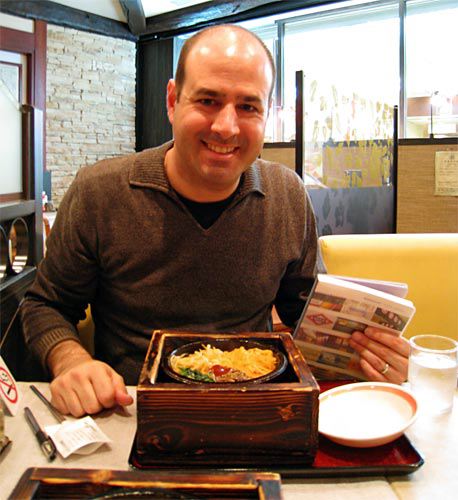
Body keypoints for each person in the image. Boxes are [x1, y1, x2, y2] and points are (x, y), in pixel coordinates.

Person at [21, 25, 409, 417]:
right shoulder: (100, 192)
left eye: (248, 106)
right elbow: (46, 305)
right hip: (132, 410)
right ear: (173, 101)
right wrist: (70, 361)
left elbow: (305, 313)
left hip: (256, 409)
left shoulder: (286, 195)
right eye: (208, 100)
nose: (226, 126)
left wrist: (364, 353)